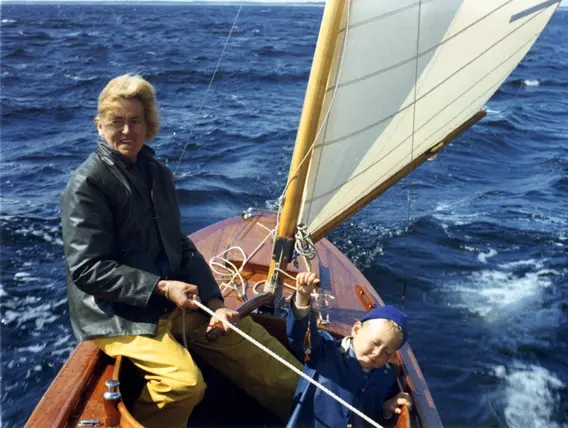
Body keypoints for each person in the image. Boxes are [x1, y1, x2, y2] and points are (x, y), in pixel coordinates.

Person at [60, 74, 302, 427]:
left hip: (168, 301)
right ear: (99, 125)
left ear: (148, 125)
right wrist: (161, 287)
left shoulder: (157, 174)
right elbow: (87, 269)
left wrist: (215, 303)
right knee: (183, 384)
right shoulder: (87, 185)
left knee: (271, 363)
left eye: (135, 120)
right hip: (115, 313)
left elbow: (180, 245)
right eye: (116, 121)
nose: (126, 130)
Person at [286, 272, 412, 428]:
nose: (377, 353)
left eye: (387, 352)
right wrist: (302, 299)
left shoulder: (387, 377)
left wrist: (386, 410)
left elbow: (374, 417)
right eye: (374, 343)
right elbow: (299, 336)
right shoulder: (324, 351)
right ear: (356, 329)